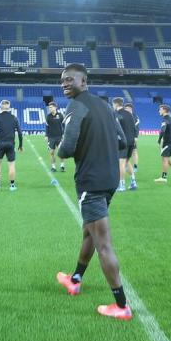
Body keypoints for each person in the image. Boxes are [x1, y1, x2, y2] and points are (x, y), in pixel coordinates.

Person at [54, 64, 132, 321]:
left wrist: (70, 146)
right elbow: (122, 141)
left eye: (69, 80)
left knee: (103, 243)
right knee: (89, 230)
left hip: (92, 182)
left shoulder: (75, 106)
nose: (64, 83)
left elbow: (65, 149)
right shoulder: (105, 106)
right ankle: (75, 279)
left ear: (83, 81)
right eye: (62, 81)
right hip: (110, 180)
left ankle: (121, 305)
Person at [0, 100, 23, 191]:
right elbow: (20, 133)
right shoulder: (14, 118)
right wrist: (20, 145)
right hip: (10, 144)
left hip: (0, 144)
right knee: (11, 165)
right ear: (9, 108)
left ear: (0, 107)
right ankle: (12, 186)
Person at [112, 97, 137, 192]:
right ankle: (133, 182)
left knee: (121, 164)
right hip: (131, 143)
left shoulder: (117, 115)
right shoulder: (130, 114)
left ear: (116, 104)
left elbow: (115, 130)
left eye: (113, 104)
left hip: (123, 142)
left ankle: (121, 185)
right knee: (126, 162)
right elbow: (134, 129)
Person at [155, 104, 171, 183]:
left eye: (160, 109)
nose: (159, 111)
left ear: (164, 110)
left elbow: (163, 130)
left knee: (164, 159)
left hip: (168, 142)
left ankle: (164, 177)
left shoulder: (165, 119)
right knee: (168, 157)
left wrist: (159, 140)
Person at [45, 102, 65, 172]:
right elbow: (47, 127)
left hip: (59, 136)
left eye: (51, 107)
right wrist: (46, 136)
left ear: (55, 107)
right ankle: (53, 167)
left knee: (61, 151)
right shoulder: (48, 116)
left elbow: (64, 125)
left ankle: (62, 166)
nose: (50, 108)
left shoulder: (60, 115)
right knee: (52, 152)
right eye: (49, 107)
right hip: (51, 137)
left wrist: (63, 134)